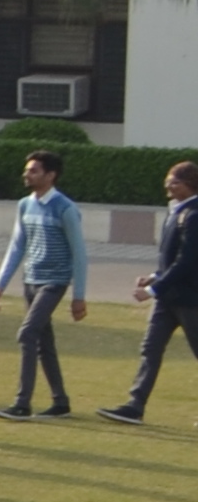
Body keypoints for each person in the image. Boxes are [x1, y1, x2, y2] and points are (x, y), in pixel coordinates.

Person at [0, 147, 87, 418]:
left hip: (54, 281)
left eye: (33, 171)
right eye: (27, 170)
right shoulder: (24, 205)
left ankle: (22, 404)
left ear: (50, 175)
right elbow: (17, 246)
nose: (27, 174)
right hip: (30, 280)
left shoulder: (65, 208)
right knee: (44, 342)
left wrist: (79, 296)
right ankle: (61, 402)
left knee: (27, 333)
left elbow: (79, 254)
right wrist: (0, 285)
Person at [106, 159, 198, 422]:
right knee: (150, 349)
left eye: (173, 181)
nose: (167, 185)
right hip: (167, 298)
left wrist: (153, 290)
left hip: (189, 299)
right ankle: (135, 406)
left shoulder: (194, 215)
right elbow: (171, 260)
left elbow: (187, 261)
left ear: (189, 184)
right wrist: (154, 277)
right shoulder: (177, 211)